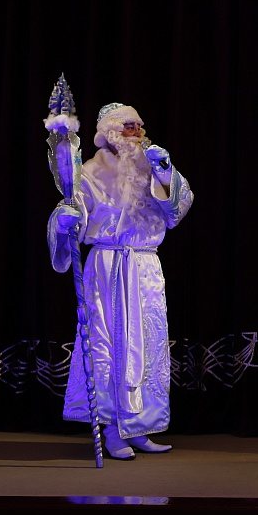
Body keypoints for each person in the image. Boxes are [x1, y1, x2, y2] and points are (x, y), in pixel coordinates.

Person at [48, 102, 194, 460]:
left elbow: (177, 210)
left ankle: (140, 426)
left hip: (144, 267)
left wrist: (166, 173)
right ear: (112, 131)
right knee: (110, 345)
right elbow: (74, 213)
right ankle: (113, 429)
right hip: (108, 266)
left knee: (146, 346)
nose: (138, 132)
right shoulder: (91, 172)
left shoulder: (150, 165)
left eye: (139, 126)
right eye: (130, 126)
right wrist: (65, 220)